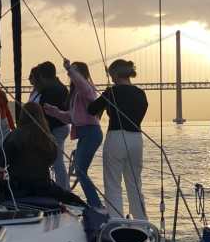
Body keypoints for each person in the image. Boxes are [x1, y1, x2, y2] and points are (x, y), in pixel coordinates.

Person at [88, 59, 148, 219]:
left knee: (113, 183)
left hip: (116, 137)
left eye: (111, 75)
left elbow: (91, 109)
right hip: (136, 138)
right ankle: (141, 221)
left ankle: (116, 220)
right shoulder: (141, 93)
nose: (111, 78)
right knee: (135, 185)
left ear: (115, 73)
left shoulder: (112, 92)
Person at [43, 60, 103, 209]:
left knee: (81, 171)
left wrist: (70, 68)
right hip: (85, 134)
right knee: (80, 170)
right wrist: (54, 112)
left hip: (91, 133)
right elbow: (71, 118)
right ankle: (94, 204)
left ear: (81, 74)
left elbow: (84, 87)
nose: (71, 74)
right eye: (71, 72)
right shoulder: (75, 93)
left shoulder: (86, 89)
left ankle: (96, 205)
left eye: (75, 71)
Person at [35, 61, 70, 190]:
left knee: (57, 162)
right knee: (57, 161)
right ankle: (62, 188)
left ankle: (63, 189)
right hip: (62, 127)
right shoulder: (60, 86)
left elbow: (45, 115)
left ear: (43, 76)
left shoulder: (50, 90)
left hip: (55, 128)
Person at [0, 79, 15, 166]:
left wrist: (13, 128)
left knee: (2, 151)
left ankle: (1, 171)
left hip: (2, 124)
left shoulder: (1, 94)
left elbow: (7, 111)